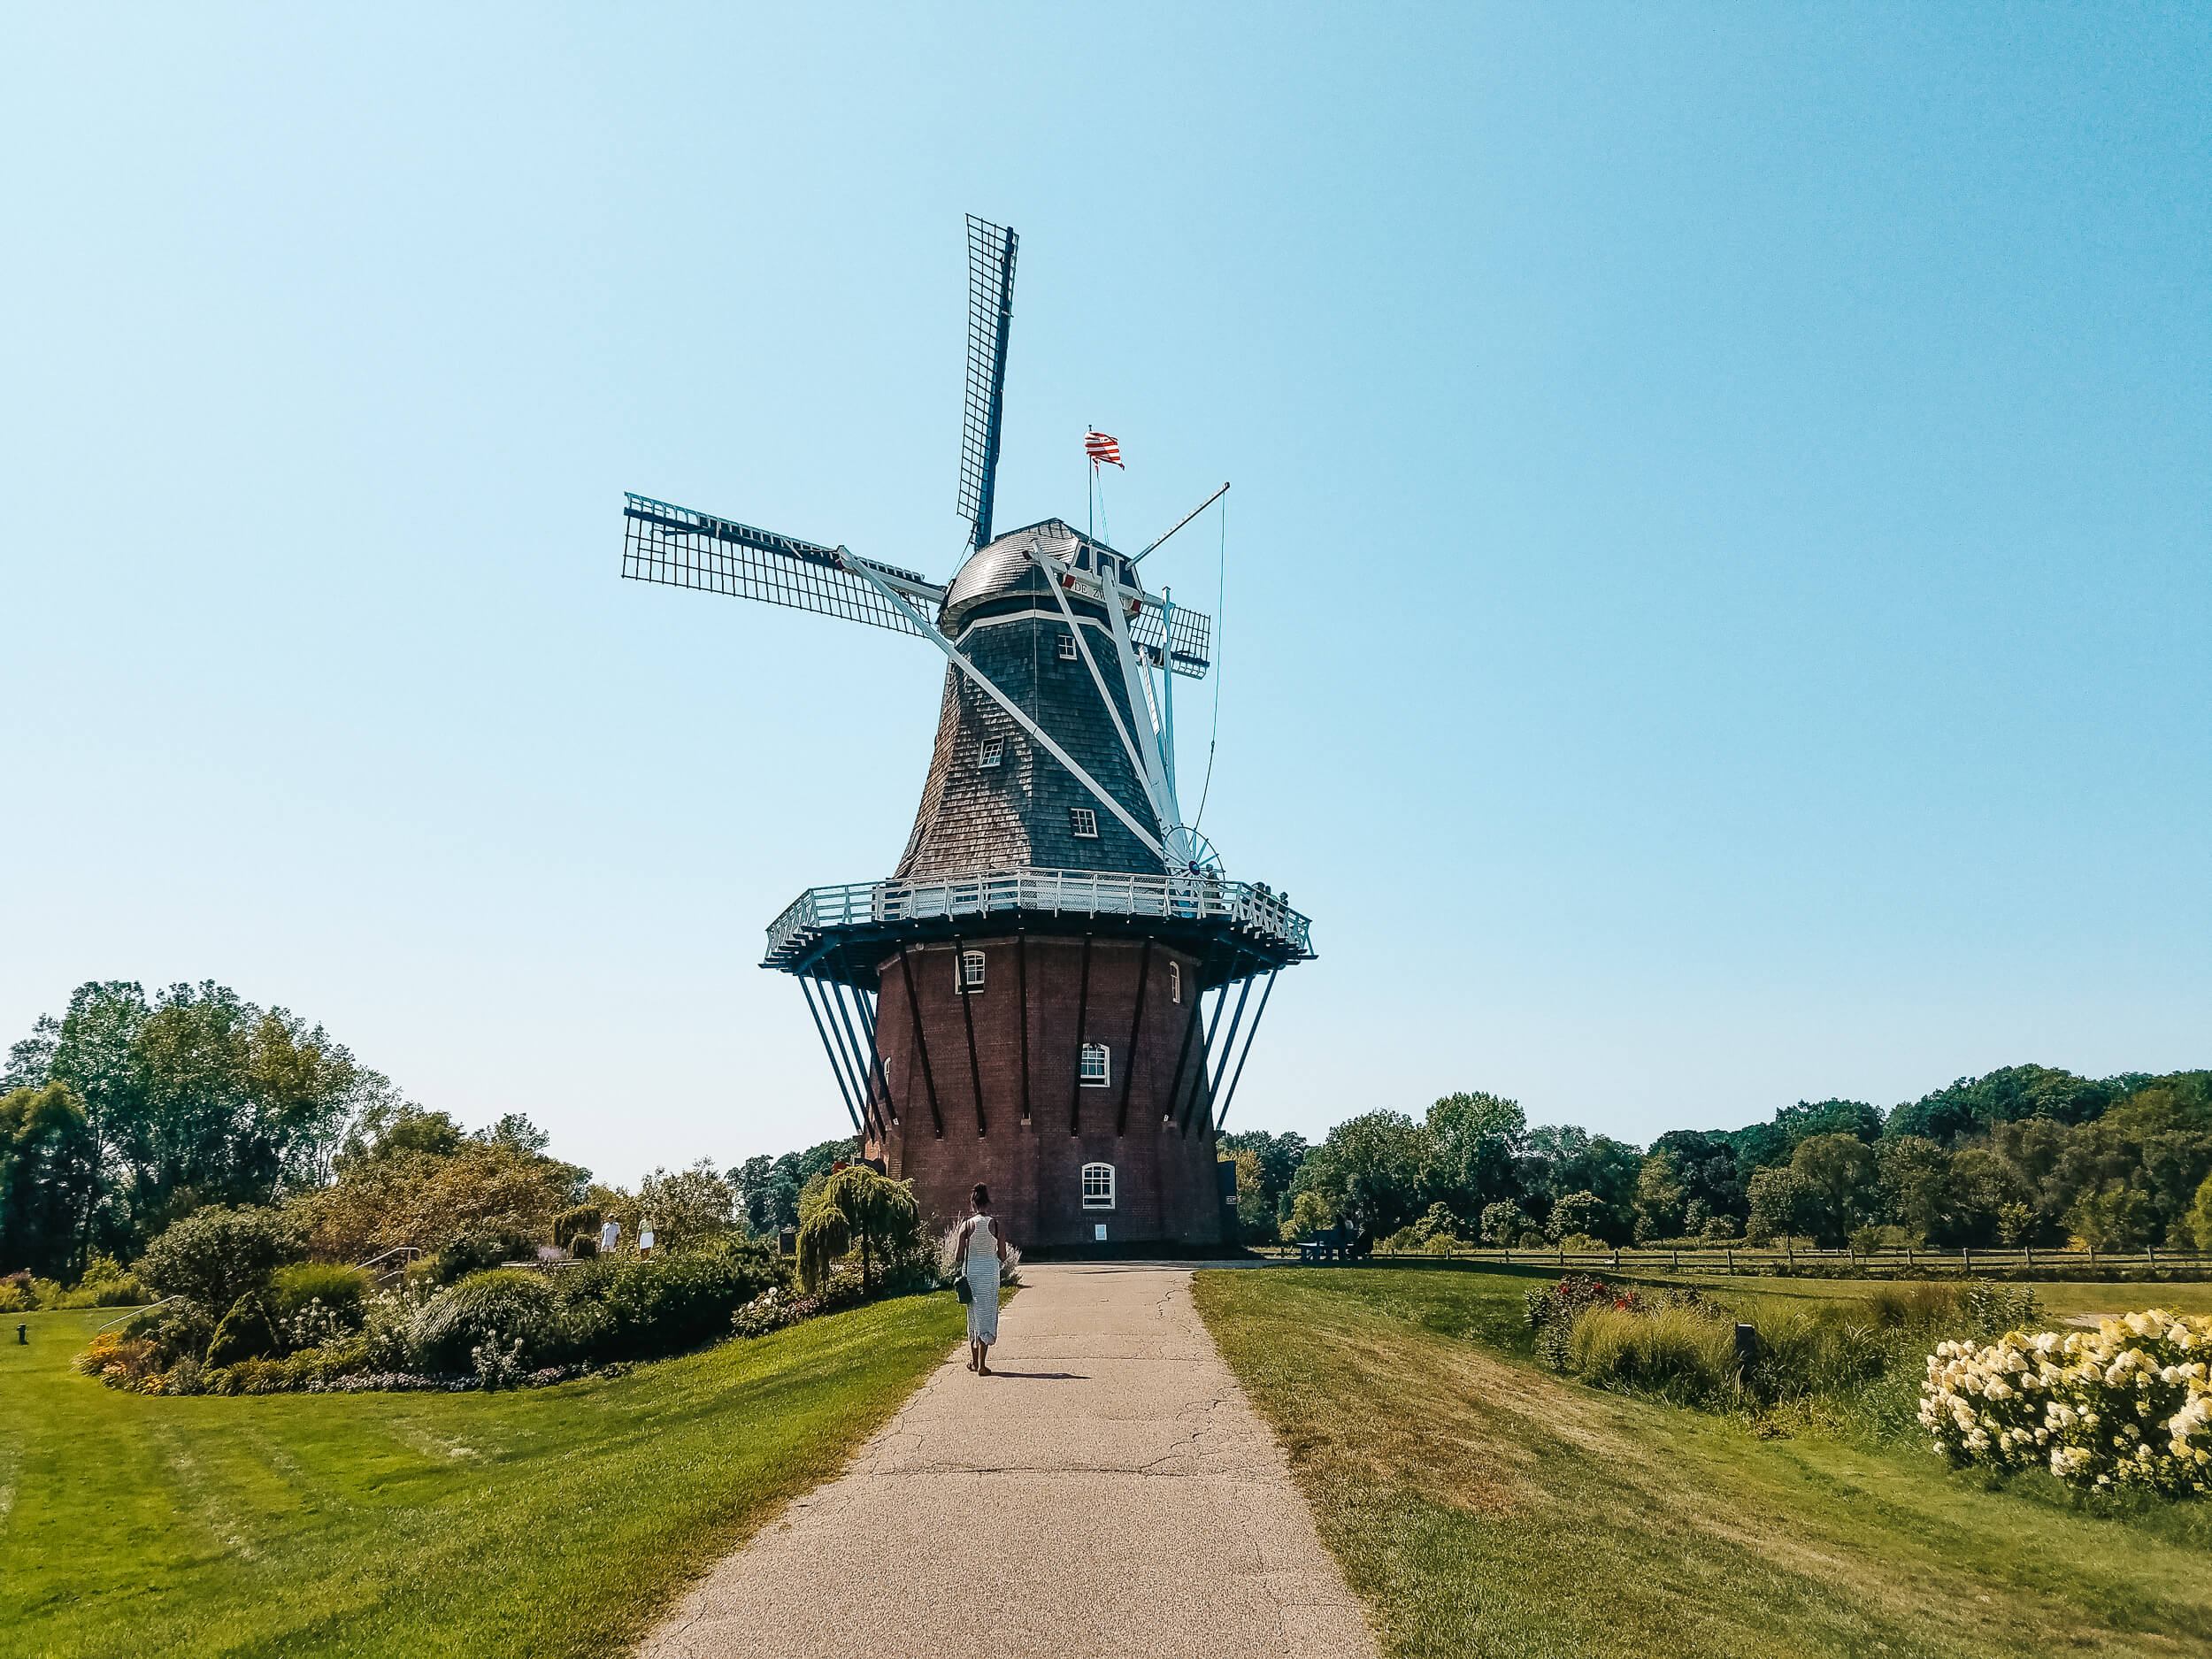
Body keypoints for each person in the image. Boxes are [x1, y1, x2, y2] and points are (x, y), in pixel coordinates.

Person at [956, 1183, 1008, 1376]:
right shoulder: (996, 1225)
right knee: (987, 1315)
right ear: (988, 1202)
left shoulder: (967, 1226)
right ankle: (983, 1364)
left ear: (973, 1203)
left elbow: (959, 1256)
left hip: (972, 1276)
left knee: (973, 1316)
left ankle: (974, 1361)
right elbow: (1003, 1256)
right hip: (990, 1275)